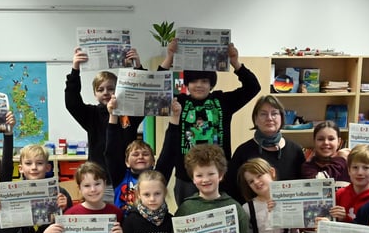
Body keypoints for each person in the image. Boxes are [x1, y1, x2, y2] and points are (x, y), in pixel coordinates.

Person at [159, 40, 261, 204]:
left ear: (211, 84)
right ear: (187, 84)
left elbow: (253, 87)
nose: (199, 85)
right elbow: (157, 87)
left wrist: (235, 62)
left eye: (204, 81)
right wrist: (169, 57)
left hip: (219, 177)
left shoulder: (223, 101)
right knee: (187, 216)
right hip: (186, 178)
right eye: (194, 81)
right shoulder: (179, 102)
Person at [66, 46, 144, 173]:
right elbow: (72, 102)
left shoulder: (129, 113)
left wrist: (138, 66)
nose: (106, 92)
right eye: (100, 89)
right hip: (98, 176)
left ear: (118, 89)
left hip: (126, 175)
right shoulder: (92, 114)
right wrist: (75, 69)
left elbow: (143, 95)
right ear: (95, 94)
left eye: (111, 88)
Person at [105, 96, 179, 215]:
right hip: (127, 224)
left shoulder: (158, 176)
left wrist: (175, 117)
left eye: (145, 154)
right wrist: (113, 114)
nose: (140, 157)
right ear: (127, 162)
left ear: (153, 161)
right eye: (135, 154)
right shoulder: (120, 176)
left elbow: (169, 153)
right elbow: (111, 152)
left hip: (154, 223)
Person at [228, 96, 306, 203]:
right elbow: (232, 190)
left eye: (274, 113)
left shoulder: (296, 150)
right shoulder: (243, 152)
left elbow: (304, 187)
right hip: (253, 211)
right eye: (263, 114)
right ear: (255, 119)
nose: (269, 118)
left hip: (290, 210)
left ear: (282, 118)